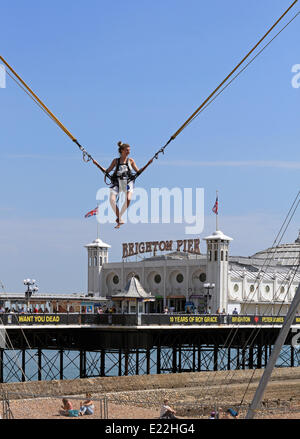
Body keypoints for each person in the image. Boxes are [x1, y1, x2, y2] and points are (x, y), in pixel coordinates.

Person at [93, 141, 153, 229]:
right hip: (117, 182)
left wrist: (148, 164)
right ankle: (120, 218)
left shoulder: (131, 161)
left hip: (128, 182)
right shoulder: (115, 161)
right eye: (127, 150)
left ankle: (120, 216)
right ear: (122, 151)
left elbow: (138, 171)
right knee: (112, 200)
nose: (129, 152)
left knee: (128, 198)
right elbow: (107, 171)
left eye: (129, 150)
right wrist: (97, 164)